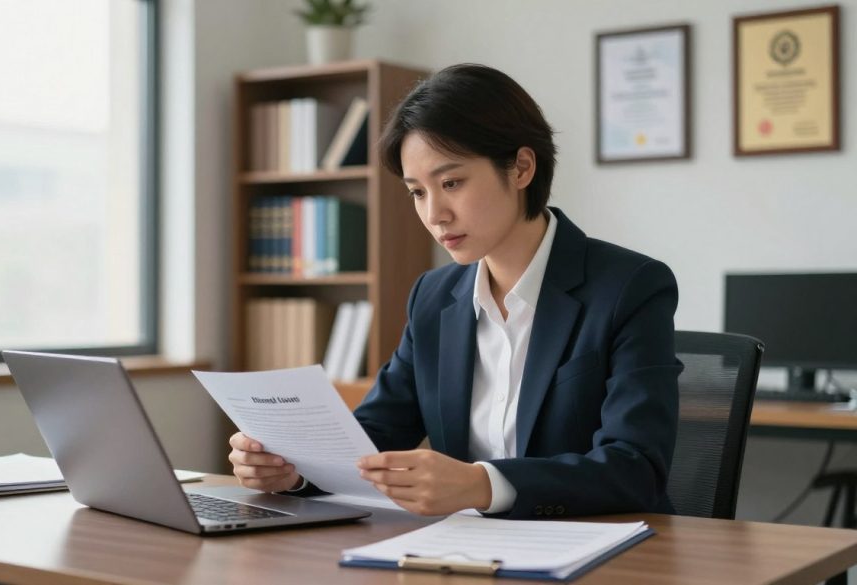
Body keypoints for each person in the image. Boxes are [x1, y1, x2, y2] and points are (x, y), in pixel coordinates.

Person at [228, 63, 682, 519]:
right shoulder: (434, 295)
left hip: (600, 549)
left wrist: (483, 485)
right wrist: (294, 470)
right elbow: (374, 435)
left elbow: (635, 468)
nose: (435, 214)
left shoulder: (630, 287)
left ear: (522, 167)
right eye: (417, 193)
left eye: (451, 183)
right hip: (465, 551)